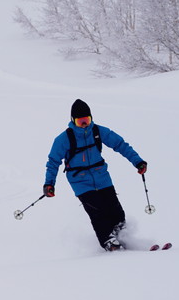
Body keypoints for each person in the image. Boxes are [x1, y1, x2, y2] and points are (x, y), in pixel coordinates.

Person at [43, 99, 147, 251]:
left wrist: (138, 162)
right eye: (80, 121)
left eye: (87, 120)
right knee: (97, 212)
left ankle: (125, 237)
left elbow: (120, 145)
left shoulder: (98, 131)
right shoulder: (64, 139)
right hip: (80, 182)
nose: (85, 124)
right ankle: (108, 242)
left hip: (102, 177)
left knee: (115, 210)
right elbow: (53, 162)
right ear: (73, 121)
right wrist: (49, 184)